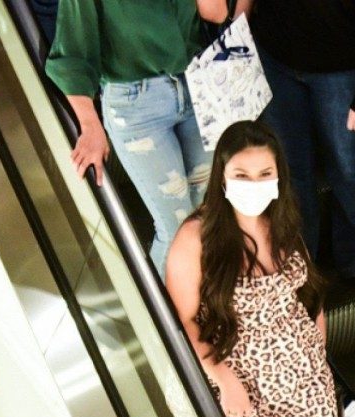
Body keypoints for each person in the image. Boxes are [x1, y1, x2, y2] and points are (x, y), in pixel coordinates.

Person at [168, 121, 348, 417]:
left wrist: (316, 353)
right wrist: (224, 378)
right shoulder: (196, 238)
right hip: (238, 375)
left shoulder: (282, 223)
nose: (254, 185)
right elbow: (186, 320)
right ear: (222, 176)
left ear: (279, 177)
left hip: (301, 370)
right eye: (242, 175)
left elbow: (308, 291)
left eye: (264, 173)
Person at [45, 0, 230, 274]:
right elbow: (72, 52)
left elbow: (216, 12)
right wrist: (90, 125)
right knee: (176, 227)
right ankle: (164, 316)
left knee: (205, 217)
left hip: (197, 88)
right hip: (135, 105)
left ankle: (197, 305)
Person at [239, 0, 355, 294]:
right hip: (275, 59)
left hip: (340, 71)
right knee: (290, 168)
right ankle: (301, 257)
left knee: (348, 166)